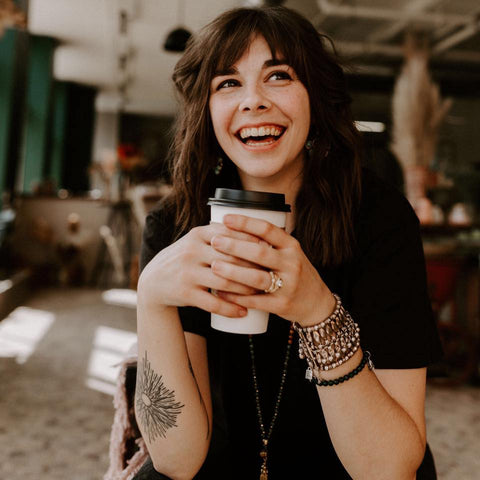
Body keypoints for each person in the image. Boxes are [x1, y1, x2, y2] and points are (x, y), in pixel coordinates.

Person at [134, 6, 443, 480]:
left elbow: (390, 468)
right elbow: (177, 460)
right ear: (208, 112)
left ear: (315, 98)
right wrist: (151, 298)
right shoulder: (176, 228)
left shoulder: (380, 221)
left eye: (278, 76)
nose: (253, 101)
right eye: (228, 83)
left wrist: (319, 311)